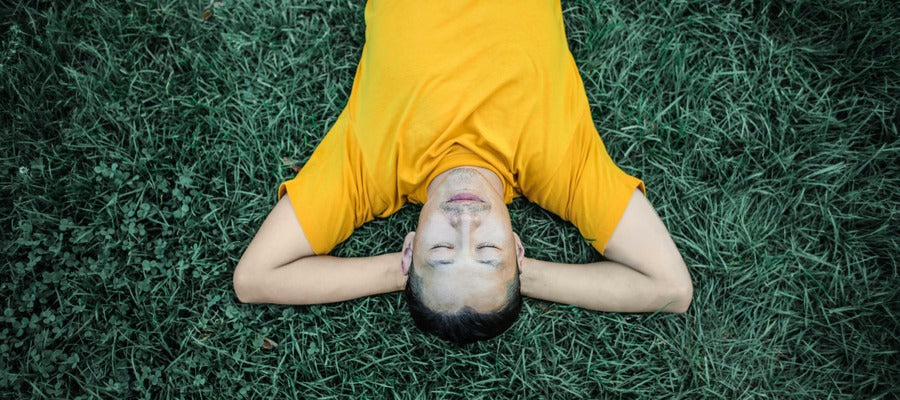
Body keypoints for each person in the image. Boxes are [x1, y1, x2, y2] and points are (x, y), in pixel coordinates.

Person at [233, 0, 693, 344]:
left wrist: (402, 274)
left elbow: (254, 279)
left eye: (442, 249)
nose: (465, 223)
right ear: (517, 248)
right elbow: (670, 288)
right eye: (488, 250)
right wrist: (519, 274)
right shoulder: (562, 170)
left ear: (409, 249)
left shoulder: (367, 173)